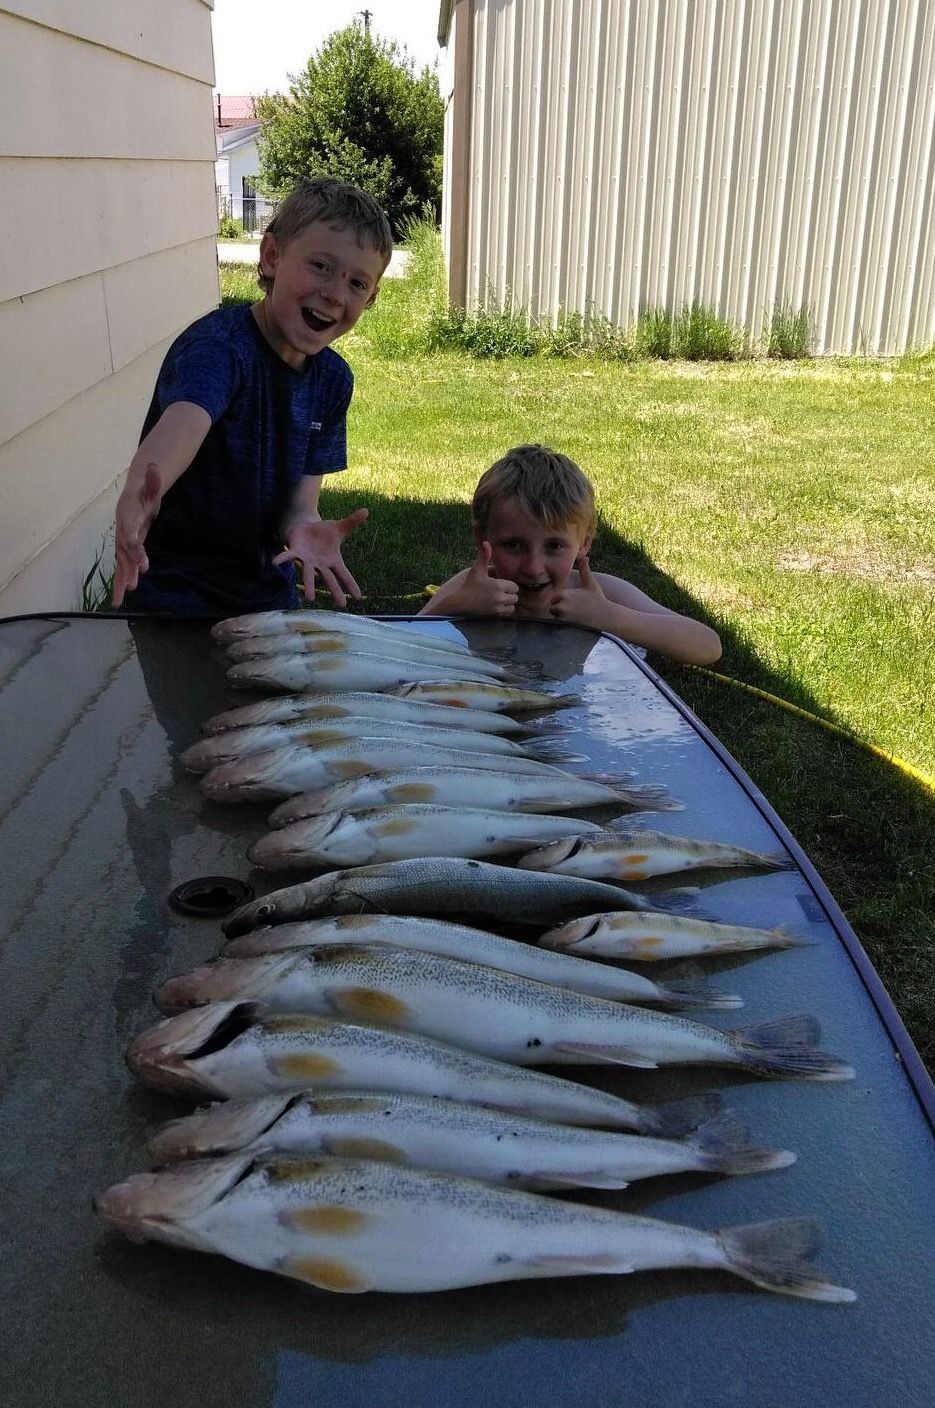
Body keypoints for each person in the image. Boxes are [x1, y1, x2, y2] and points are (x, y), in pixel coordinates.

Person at [111, 178, 393, 614]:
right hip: (174, 598)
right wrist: (142, 489)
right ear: (272, 256)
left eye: (357, 283)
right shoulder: (220, 349)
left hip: (266, 596)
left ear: (371, 297)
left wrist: (303, 528)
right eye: (321, 266)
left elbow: (300, 504)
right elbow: (185, 423)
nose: (336, 293)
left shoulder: (333, 380)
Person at [419, 444, 722, 666]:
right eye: (513, 545)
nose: (533, 567)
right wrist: (455, 605)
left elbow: (708, 646)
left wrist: (609, 616)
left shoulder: (600, 594)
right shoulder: (474, 589)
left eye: (554, 546)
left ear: (584, 543)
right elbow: (399, 640)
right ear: (482, 539)